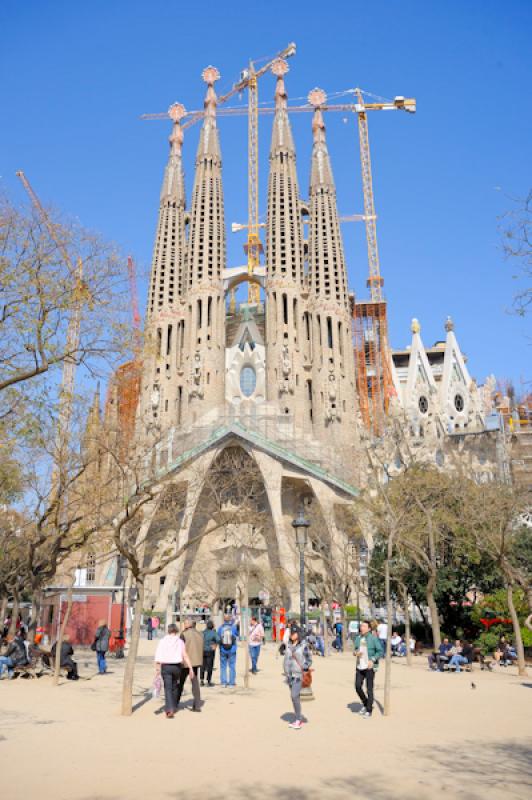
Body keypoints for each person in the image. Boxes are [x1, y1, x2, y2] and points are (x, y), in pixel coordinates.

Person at [154, 623, 194, 718]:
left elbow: (158, 655)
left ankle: (169, 709)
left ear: (168, 630)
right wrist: (190, 668)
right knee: (175, 686)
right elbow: (185, 655)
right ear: (176, 631)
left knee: (167, 688)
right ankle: (174, 705)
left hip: (166, 666)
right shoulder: (180, 641)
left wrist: (157, 669)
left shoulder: (162, 641)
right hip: (177, 667)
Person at [283, 624, 312, 730]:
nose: (291, 635)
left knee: (294, 696)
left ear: (298, 634)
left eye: (294, 633)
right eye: (291, 632)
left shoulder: (304, 646)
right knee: (295, 697)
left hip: (298, 675)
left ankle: (298, 719)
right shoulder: (288, 645)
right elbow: (286, 658)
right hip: (289, 675)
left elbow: (309, 659)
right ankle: (297, 717)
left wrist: (304, 668)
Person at [354, 621, 383, 719]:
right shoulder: (358, 638)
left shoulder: (373, 639)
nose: (361, 627)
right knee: (357, 686)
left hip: (370, 666)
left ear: (369, 629)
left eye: (364, 626)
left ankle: (369, 710)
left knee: (369, 689)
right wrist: (355, 653)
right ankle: (366, 703)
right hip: (359, 665)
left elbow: (380, 651)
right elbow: (355, 649)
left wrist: (373, 660)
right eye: (361, 625)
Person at [176, 618, 203, 711]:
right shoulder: (199, 634)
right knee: (195, 683)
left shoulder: (184, 634)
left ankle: (175, 702)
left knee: (180, 683)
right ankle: (197, 705)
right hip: (196, 662)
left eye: (184, 623)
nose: (183, 625)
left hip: (185, 662)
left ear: (187, 624)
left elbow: (179, 648)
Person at [217, 613, 239, 687]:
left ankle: (223, 682)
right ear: (230, 619)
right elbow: (236, 635)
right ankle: (231, 683)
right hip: (232, 649)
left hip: (223, 649)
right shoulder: (233, 627)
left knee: (223, 666)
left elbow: (218, 637)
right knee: (232, 666)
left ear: (223, 619)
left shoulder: (220, 628)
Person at [200, 620, 219, 686]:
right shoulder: (213, 633)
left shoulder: (202, 632)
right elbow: (218, 639)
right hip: (210, 651)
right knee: (210, 666)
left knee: (202, 666)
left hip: (202, 650)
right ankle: (208, 681)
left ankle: (201, 680)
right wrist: (215, 644)